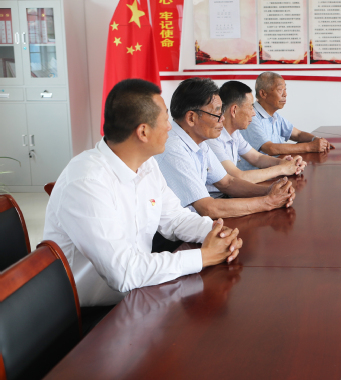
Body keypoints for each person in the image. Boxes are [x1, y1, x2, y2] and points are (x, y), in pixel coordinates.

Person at [43, 79, 243, 311]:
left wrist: (217, 233)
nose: (170, 127)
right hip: (91, 314)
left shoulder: (146, 165)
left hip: (139, 293)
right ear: (143, 132)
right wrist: (204, 256)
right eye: (165, 120)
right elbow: (124, 272)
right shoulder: (86, 181)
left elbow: (175, 218)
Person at [155, 77, 295, 218]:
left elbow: (228, 182)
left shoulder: (200, 142)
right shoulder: (174, 149)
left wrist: (269, 191)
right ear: (192, 118)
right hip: (183, 228)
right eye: (216, 113)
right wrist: (268, 201)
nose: (222, 118)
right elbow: (207, 208)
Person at [206, 81, 306, 194]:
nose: (253, 113)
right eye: (250, 107)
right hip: (216, 197)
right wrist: (282, 169)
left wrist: (284, 163)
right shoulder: (212, 138)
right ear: (234, 110)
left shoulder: (235, 133)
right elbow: (238, 177)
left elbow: (257, 158)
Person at [239, 72, 335, 159]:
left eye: (285, 89)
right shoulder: (251, 117)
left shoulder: (275, 116)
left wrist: (316, 140)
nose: (285, 94)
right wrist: (311, 146)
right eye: (280, 90)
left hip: (277, 167)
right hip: (259, 172)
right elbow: (270, 148)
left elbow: (298, 134)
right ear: (263, 93)